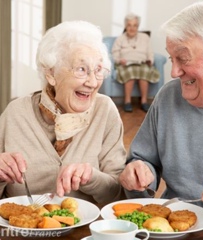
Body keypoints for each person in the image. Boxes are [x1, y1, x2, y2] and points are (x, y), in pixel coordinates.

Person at [119, 1, 203, 239]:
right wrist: (139, 173)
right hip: (167, 231)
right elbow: (143, 159)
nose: (174, 72)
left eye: (183, 58)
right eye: (171, 58)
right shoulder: (168, 96)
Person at [0, 20, 127, 204]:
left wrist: (92, 177)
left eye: (98, 70)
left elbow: (118, 195)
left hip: (86, 231)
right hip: (21, 229)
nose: (92, 82)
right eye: (81, 69)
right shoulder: (16, 113)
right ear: (51, 73)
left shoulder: (104, 110)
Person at [112, 13, 160, 113]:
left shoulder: (145, 37)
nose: (132, 28)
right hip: (125, 64)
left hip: (142, 63)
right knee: (130, 71)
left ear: (138, 26)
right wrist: (120, 60)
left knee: (145, 70)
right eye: (129, 25)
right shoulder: (120, 39)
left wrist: (150, 60)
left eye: (135, 25)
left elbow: (150, 52)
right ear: (126, 26)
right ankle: (127, 101)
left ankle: (144, 101)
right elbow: (115, 54)